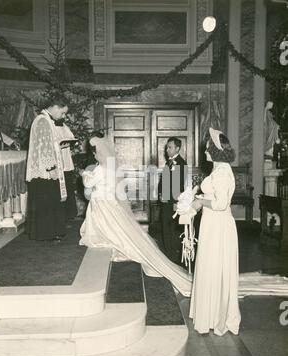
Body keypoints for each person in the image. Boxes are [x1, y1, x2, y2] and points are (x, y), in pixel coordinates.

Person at [79, 134, 190, 297]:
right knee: (117, 227)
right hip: (109, 201)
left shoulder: (99, 168)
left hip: (102, 202)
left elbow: (89, 184)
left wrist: (83, 174)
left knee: (111, 227)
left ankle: (108, 240)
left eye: (95, 153)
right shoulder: (110, 168)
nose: (95, 155)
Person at [179, 127, 241, 336]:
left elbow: (221, 203)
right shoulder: (218, 169)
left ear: (215, 149)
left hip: (219, 226)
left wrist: (198, 202)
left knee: (216, 267)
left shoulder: (222, 172)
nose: (204, 151)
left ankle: (217, 316)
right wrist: (194, 197)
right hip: (212, 224)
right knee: (210, 266)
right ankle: (210, 313)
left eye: (207, 148)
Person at [26, 97, 70, 241]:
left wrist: (59, 146)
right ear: (55, 107)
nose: (63, 116)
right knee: (47, 200)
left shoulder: (44, 120)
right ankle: (46, 233)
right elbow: (44, 148)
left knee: (46, 201)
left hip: (44, 168)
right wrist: (51, 168)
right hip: (45, 170)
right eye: (63, 113)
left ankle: (45, 232)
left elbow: (46, 144)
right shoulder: (44, 121)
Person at [158, 137, 187, 264]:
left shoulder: (180, 163)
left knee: (171, 228)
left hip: (173, 201)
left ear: (177, 148)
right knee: (166, 227)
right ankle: (167, 254)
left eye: (170, 147)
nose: (167, 149)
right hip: (166, 200)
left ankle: (172, 257)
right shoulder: (168, 162)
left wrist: (167, 197)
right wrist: (160, 193)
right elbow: (164, 181)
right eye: (167, 147)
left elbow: (178, 185)